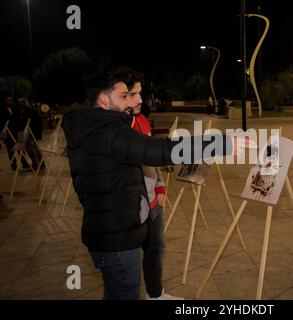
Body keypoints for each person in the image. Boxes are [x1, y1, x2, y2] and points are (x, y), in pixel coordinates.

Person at [62, 68, 250, 300]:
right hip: (116, 239)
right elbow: (162, 151)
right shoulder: (108, 132)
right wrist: (220, 143)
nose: (138, 100)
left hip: (109, 232)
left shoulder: (93, 128)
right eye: (126, 95)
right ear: (103, 98)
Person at [123, 68, 181, 300]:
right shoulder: (117, 128)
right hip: (131, 204)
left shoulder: (143, 121)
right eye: (133, 94)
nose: (140, 99)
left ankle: (155, 295)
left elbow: (153, 160)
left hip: (153, 200)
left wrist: (160, 188)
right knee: (129, 260)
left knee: (156, 250)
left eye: (140, 93)